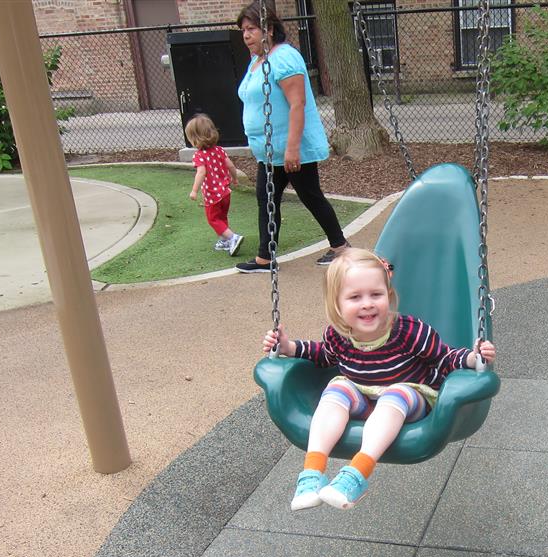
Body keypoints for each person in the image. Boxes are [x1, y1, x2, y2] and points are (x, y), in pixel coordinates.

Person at [264, 248, 497, 510]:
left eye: (376, 294)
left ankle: (356, 474)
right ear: (337, 305)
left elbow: (444, 358)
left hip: (410, 399)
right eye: (355, 297)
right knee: (337, 390)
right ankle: (312, 474)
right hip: (364, 398)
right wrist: (289, 348)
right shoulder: (338, 335)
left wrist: (472, 358)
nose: (367, 303)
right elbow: (324, 356)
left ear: (389, 295)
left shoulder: (409, 331)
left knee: (395, 394)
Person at [234, 0, 349, 274]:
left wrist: (292, 149)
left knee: (310, 195)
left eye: (251, 29)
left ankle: (341, 248)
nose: (246, 35)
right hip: (269, 151)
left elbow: (297, 104)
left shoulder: (284, 58)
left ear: (269, 29)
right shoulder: (256, 61)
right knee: (266, 198)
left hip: (291, 148)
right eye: (243, 30)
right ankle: (265, 258)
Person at [185, 114, 243, 257]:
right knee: (222, 217)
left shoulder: (199, 155)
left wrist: (194, 190)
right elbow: (231, 166)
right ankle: (224, 240)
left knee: (213, 219)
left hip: (213, 196)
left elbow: (201, 172)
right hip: (226, 193)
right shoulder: (219, 150)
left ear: (195, 139)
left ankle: (232, 237)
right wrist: (235, 179)